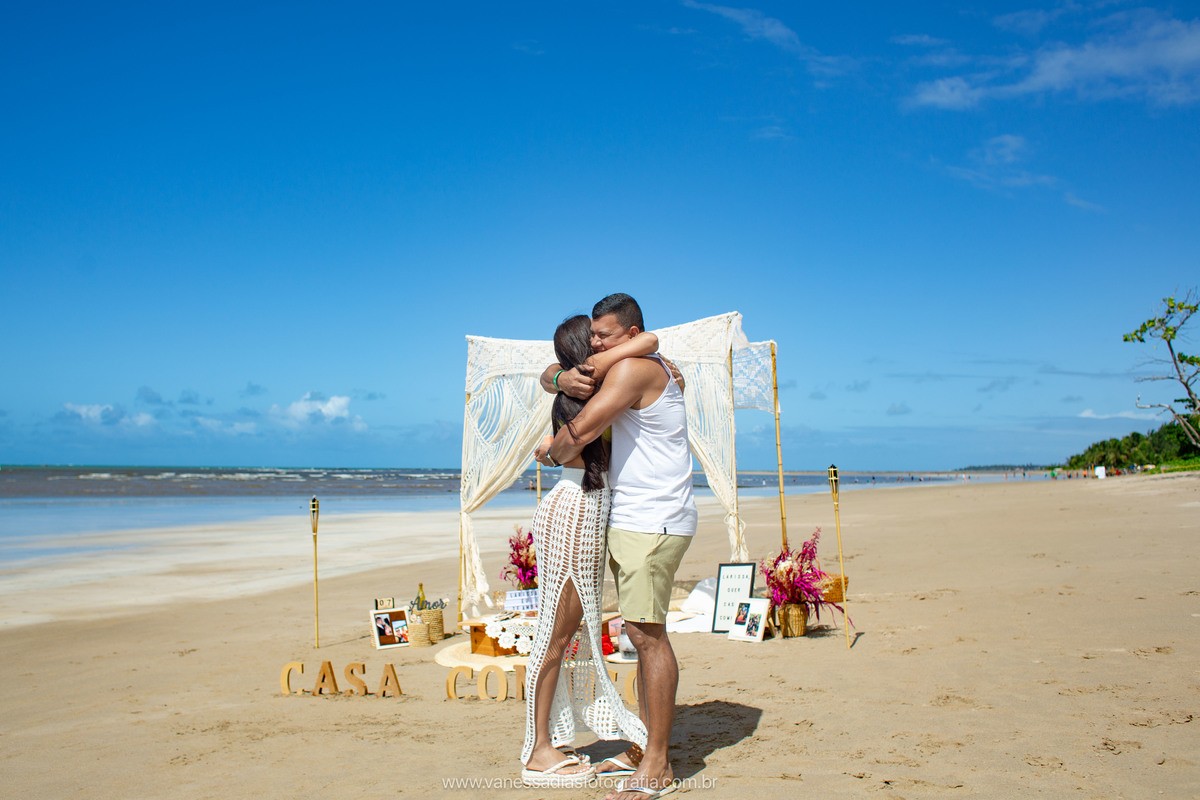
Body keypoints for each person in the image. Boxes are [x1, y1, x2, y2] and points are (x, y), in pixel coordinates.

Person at [536, 293, 697, 800]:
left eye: (602, 336)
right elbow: (552, 372)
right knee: (640, 630)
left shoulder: (633, 370)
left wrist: (549, 452)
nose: (594, 343)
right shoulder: (634, 361)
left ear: (629, 335)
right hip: (636, 517)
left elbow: (577, 435)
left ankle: (657, 765)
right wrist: (560, 378)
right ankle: (648, 746)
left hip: (651, 520)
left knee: (646, 634)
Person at [520, 314, 658, 788]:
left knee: (564, 634)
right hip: (574, 510)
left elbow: (653, 343)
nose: (602, 348)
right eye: (594, 343)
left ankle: (546, 742)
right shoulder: (582, 398)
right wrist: (551, 440)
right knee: (554, 636)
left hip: (585, 507)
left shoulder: (602, 389)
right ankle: (538, 749)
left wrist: (555, 376)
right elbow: (569, 450)